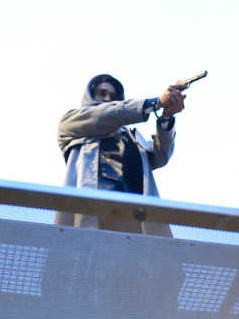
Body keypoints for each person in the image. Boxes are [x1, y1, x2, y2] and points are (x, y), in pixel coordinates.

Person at [56, 73, 186, 232]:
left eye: (113, 96)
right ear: (90, 95)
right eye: (102, 93)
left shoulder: (133, 139)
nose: (107, 99)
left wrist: (166, 116)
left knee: (139, 256)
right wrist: (155, 103)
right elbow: (105, 115)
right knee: (84, 252)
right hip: (91, 211)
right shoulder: (72, 122)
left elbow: (161, 156)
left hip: (134, 217)